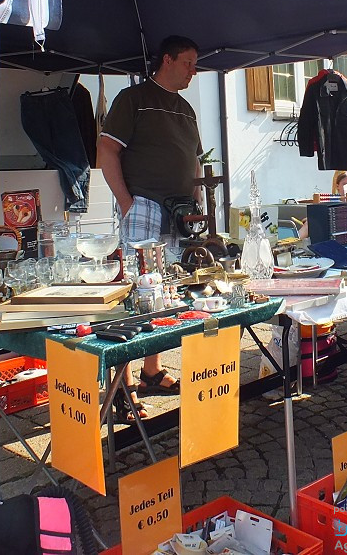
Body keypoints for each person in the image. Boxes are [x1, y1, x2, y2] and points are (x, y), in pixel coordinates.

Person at [97, 35, 204, 418]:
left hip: (180, 211)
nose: (194, 70)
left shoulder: (188, 110)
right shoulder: (133, 99)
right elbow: (106, 150)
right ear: (168, 59)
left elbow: (194, 162)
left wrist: (197, 203)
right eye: (189, 62)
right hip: (143, 205)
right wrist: (127, 204)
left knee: (165, 293)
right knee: (134, 296)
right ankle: (120, 387)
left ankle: (152, 371)